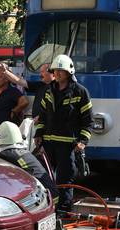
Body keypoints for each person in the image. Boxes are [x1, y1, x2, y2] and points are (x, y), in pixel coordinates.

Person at [34, 54, 93, 212]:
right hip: (48, 143)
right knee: (44, 177)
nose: (57, 74)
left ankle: (64, 210)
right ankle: (46, 207)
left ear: (69, 72)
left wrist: (83, 141)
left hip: (68, 145)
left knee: (65, 178)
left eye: (61, 70)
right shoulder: (49, 91)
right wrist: (38, 134)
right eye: (55, 70)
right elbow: (44, 115)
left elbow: (88, 121)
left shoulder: (80, 92)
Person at [0, 71, 29, 136]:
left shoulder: (13, 91)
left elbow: (25, 102)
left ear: (7, 79)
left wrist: (14, 110)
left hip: (6, 130)